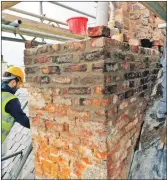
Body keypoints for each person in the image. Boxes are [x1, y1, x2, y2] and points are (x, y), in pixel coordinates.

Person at [1, 66, 30, 147]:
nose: (18, 87)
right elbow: (24, 121)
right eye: (18, 84)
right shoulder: (10, 99)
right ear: (13, 82)